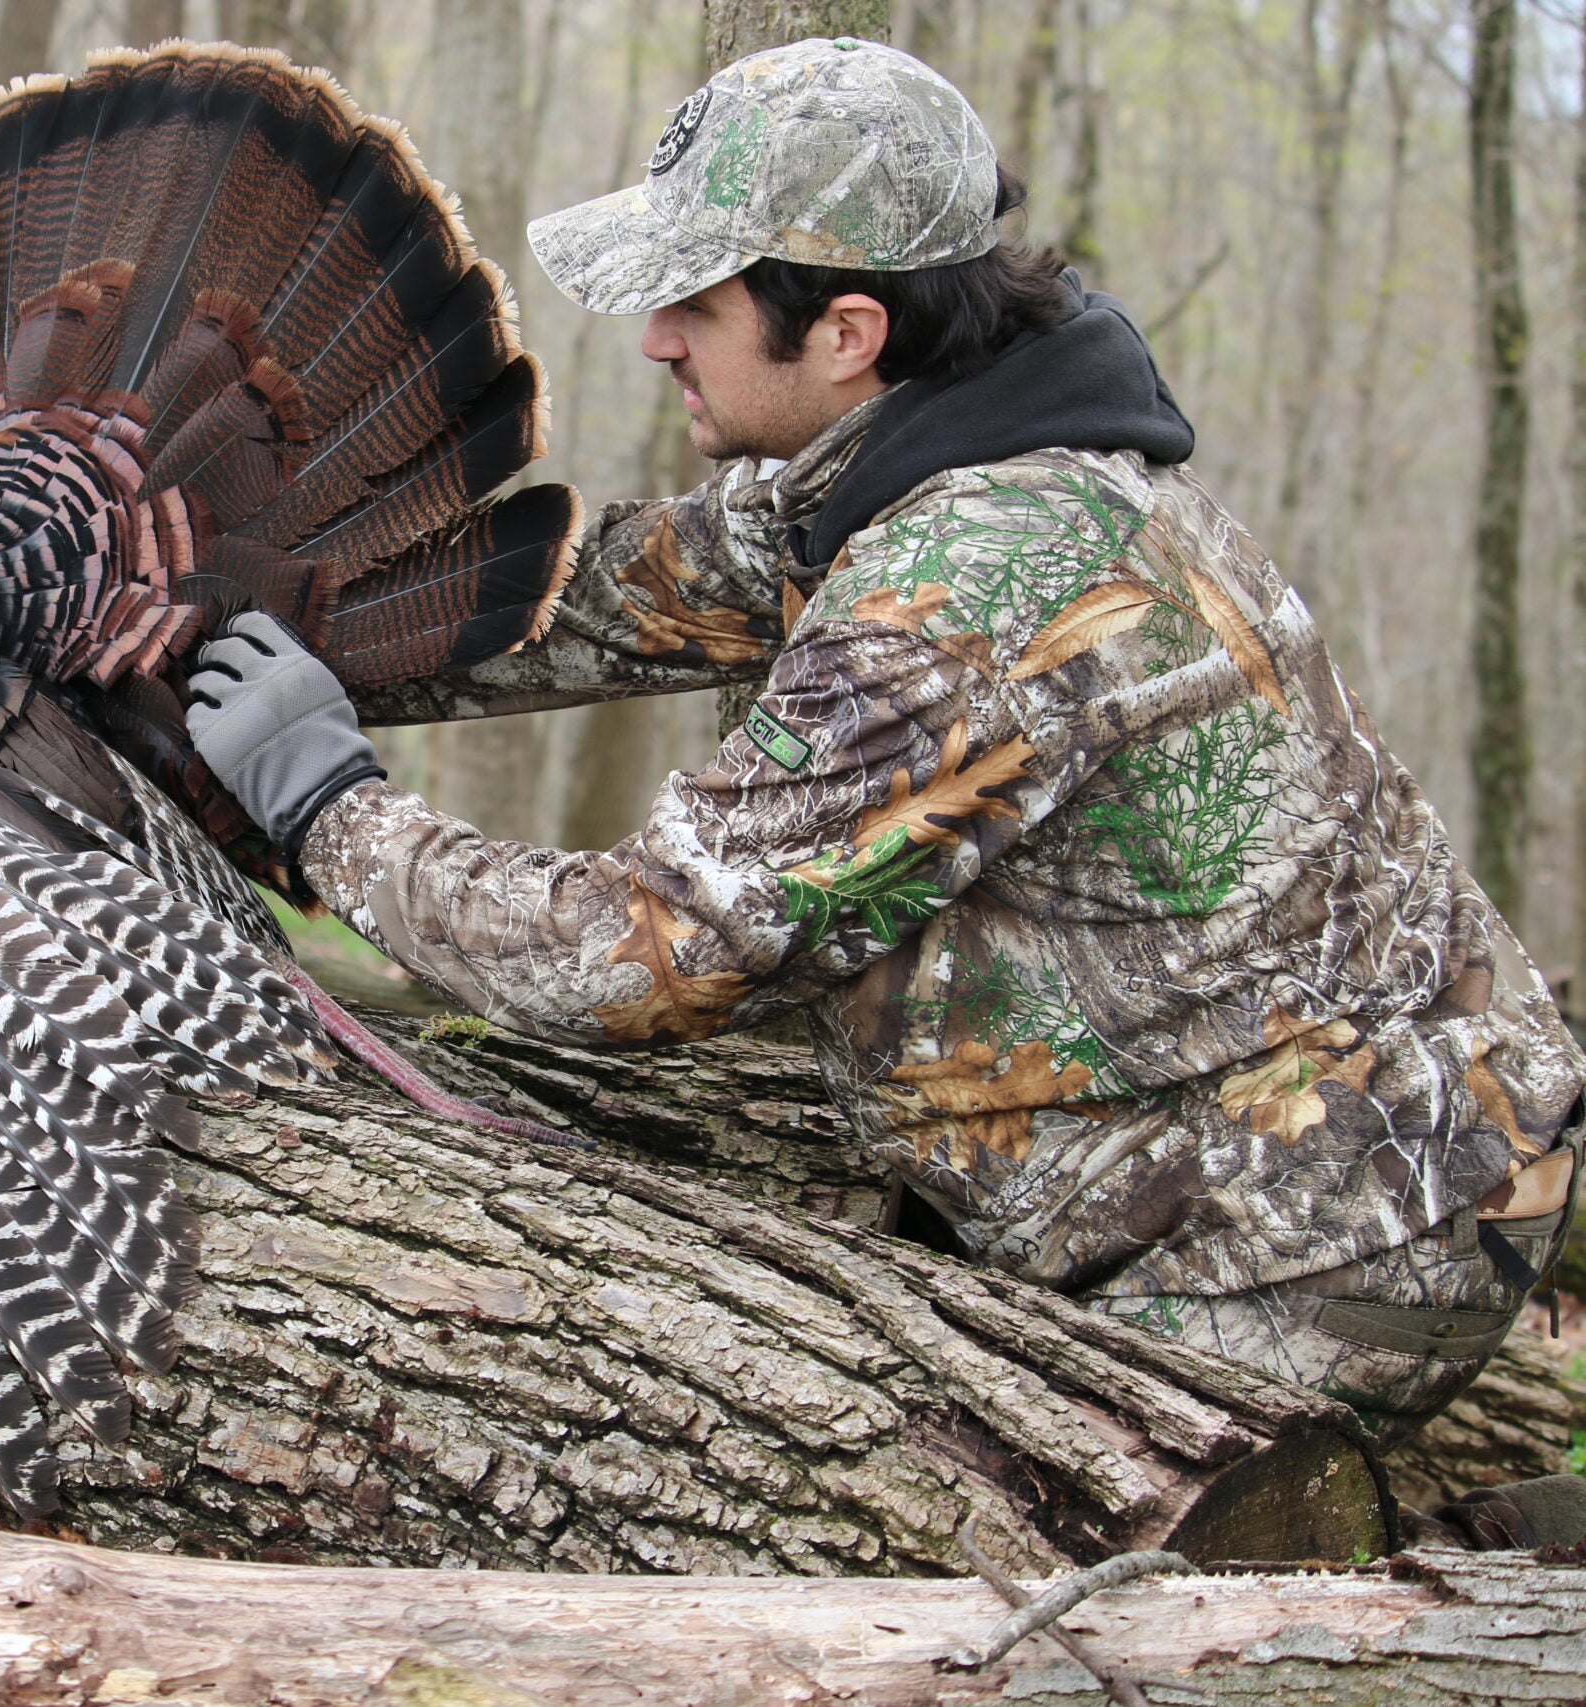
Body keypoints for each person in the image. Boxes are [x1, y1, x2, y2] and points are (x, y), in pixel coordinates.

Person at [185, 36, 1585, 1474]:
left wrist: (326, 802)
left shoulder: (971, 581)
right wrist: (267, 612)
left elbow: (642, 954)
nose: (658, 340)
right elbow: (618, 595)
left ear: (848, 331)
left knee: (952, 1527)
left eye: (696, 305)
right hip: (1340, 1150)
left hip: (1332, 1238)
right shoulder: (928, 464)